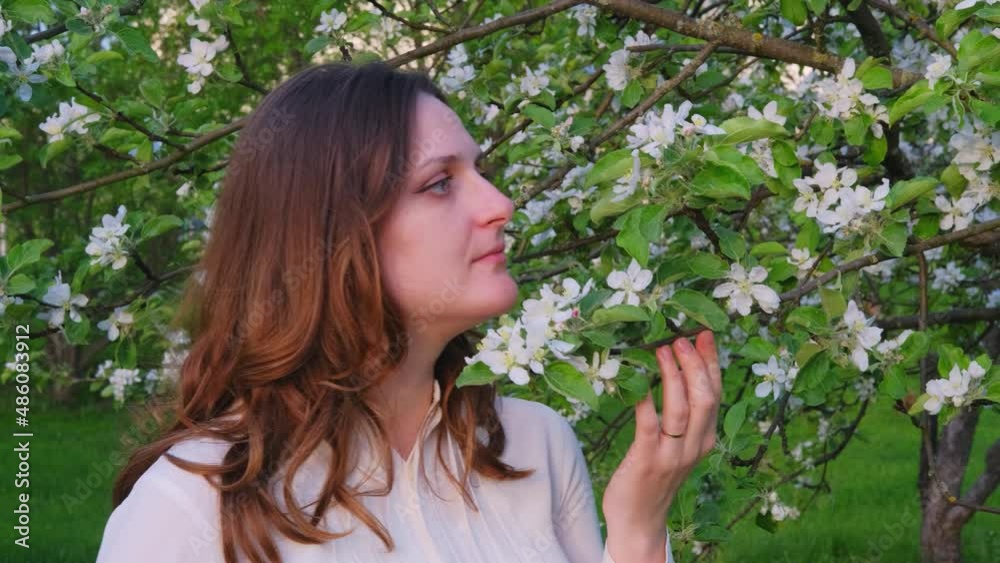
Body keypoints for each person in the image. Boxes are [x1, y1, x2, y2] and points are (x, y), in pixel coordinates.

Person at [95, 61, 722, 563]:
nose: (500, 204)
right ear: (329, 236)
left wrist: (639, 531)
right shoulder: (194, 505)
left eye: (479, 171)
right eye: (439, 184)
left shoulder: (535, 445)